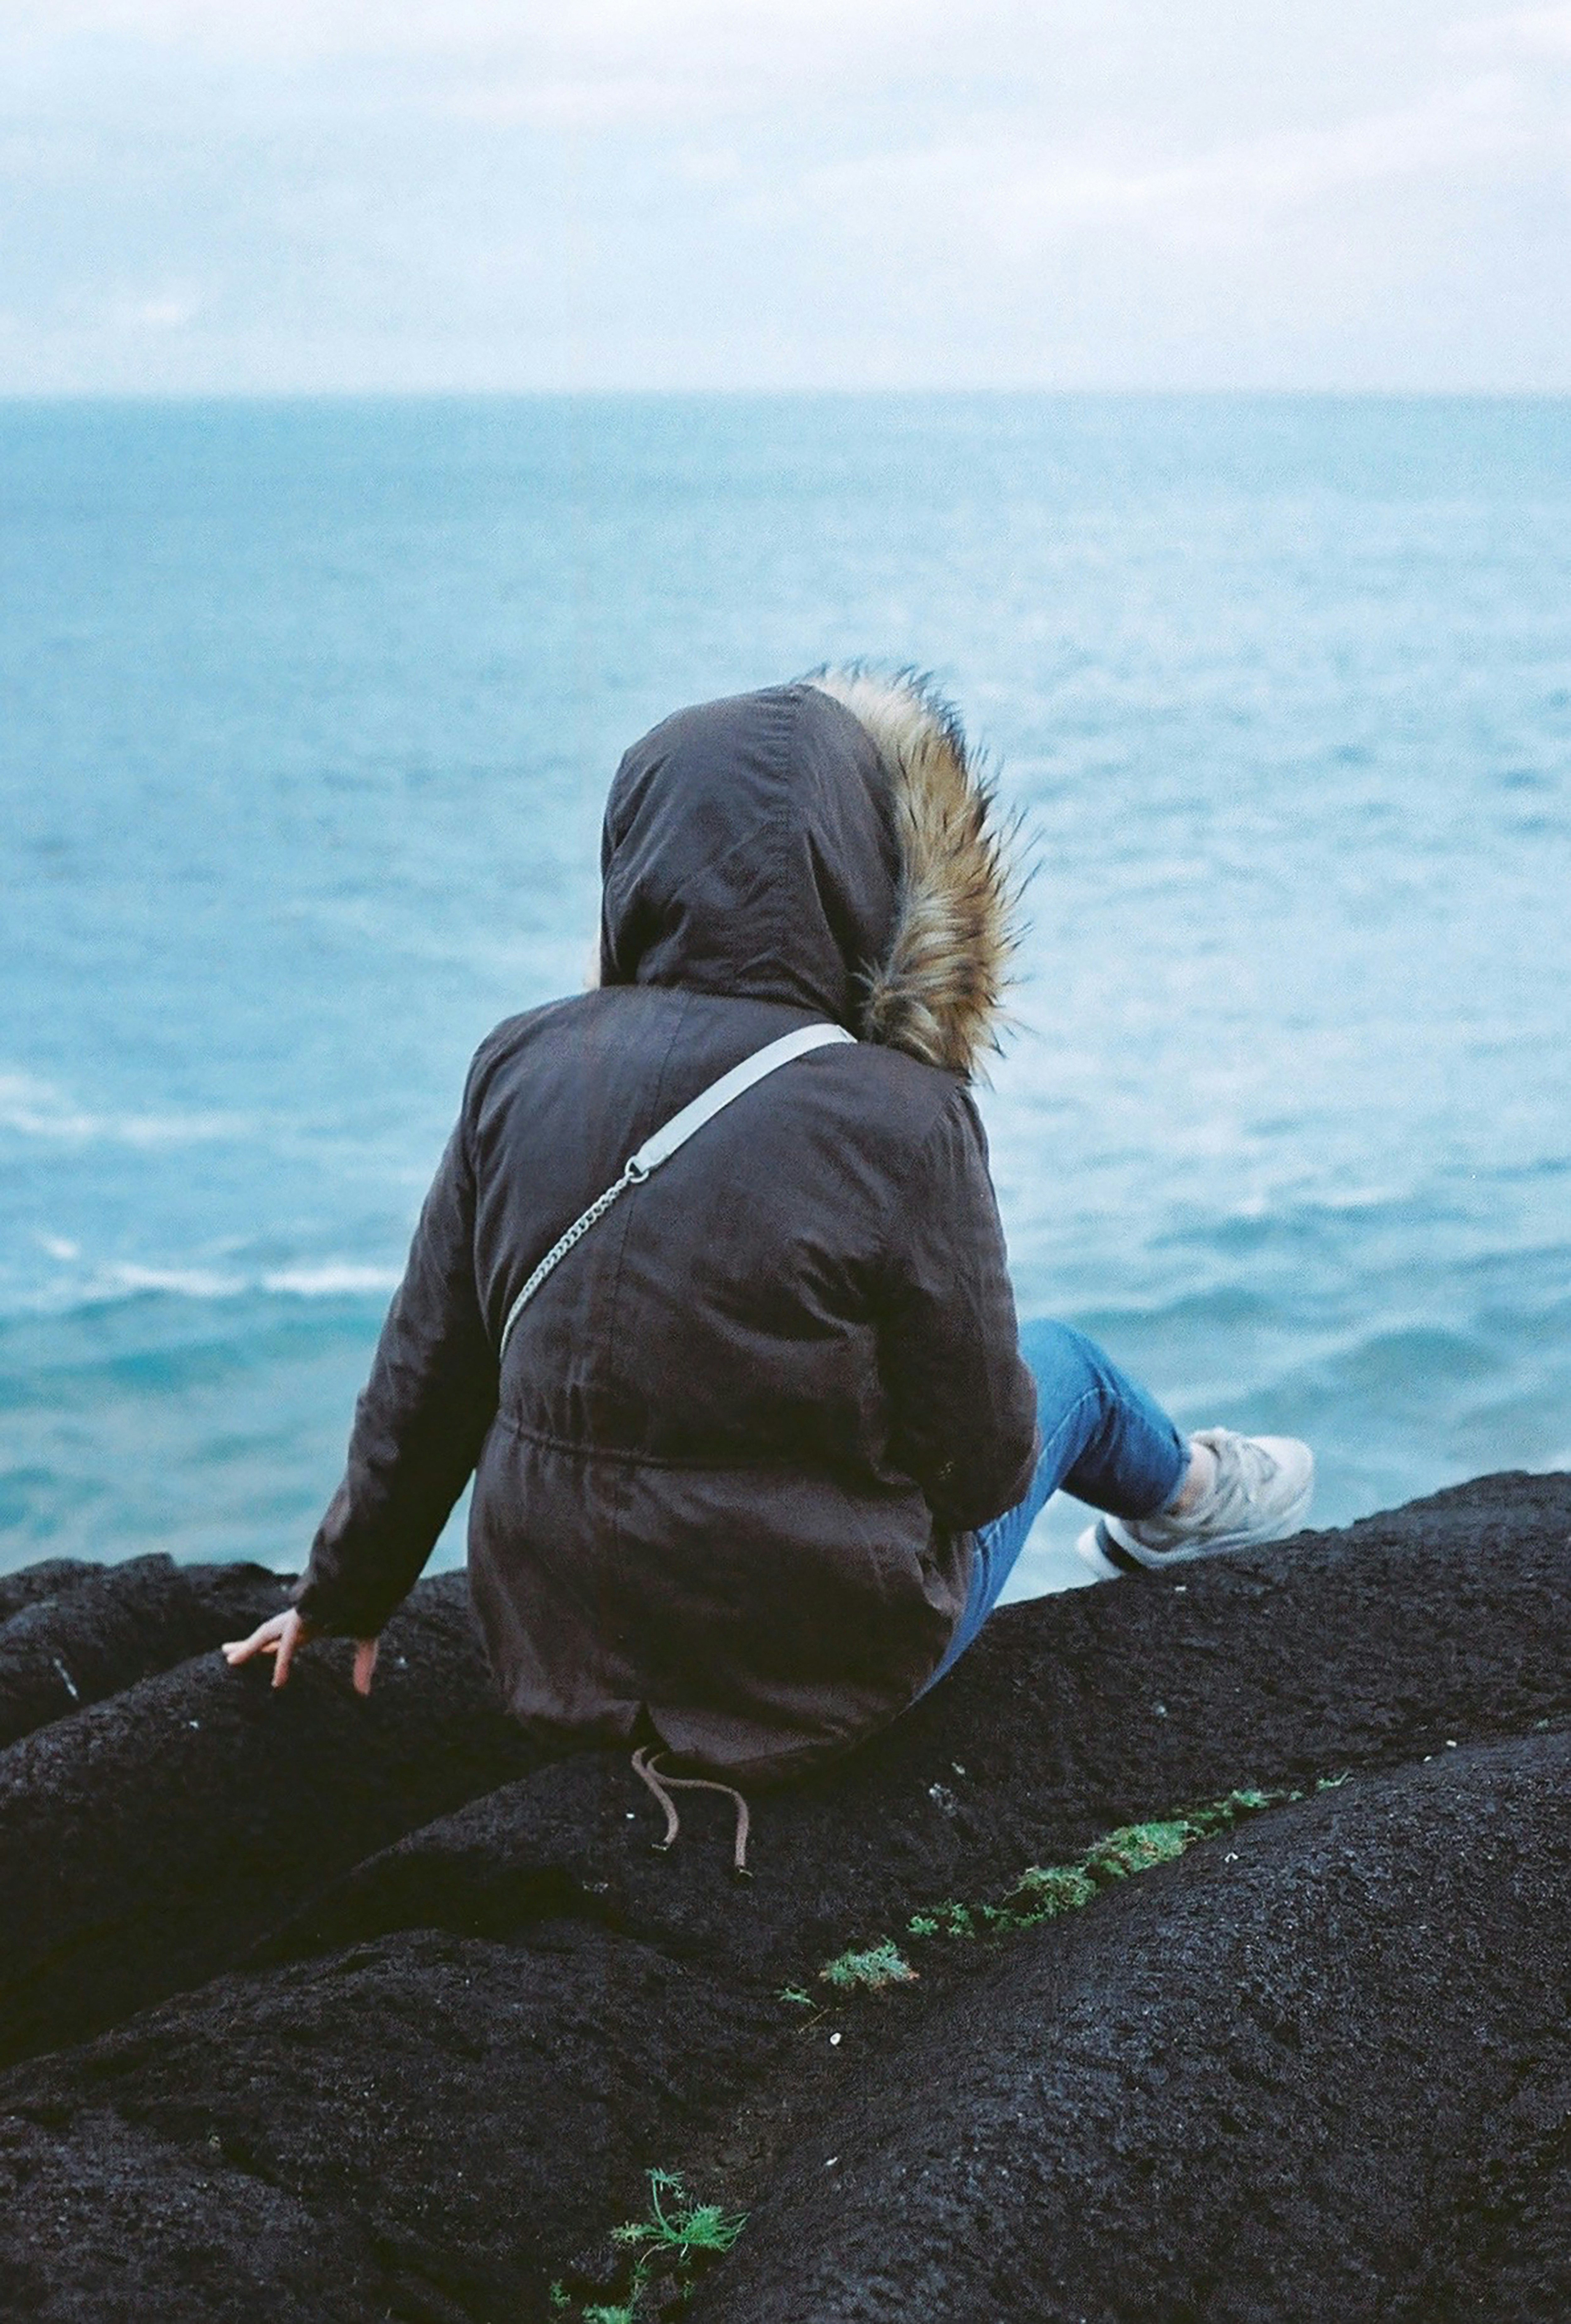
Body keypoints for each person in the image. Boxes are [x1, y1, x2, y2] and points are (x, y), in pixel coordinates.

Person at [224, 672, 1311, 1792]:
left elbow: (430, 1375)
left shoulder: (517, 1063)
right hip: (820, 1681)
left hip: (557, 1662)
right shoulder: (902, 1114)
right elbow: (985, 1462)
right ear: (861, 866)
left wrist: (345, 1598)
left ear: (635, 853)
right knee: (1069, 1367)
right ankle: (1191, 1502)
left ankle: (1181, 1503)